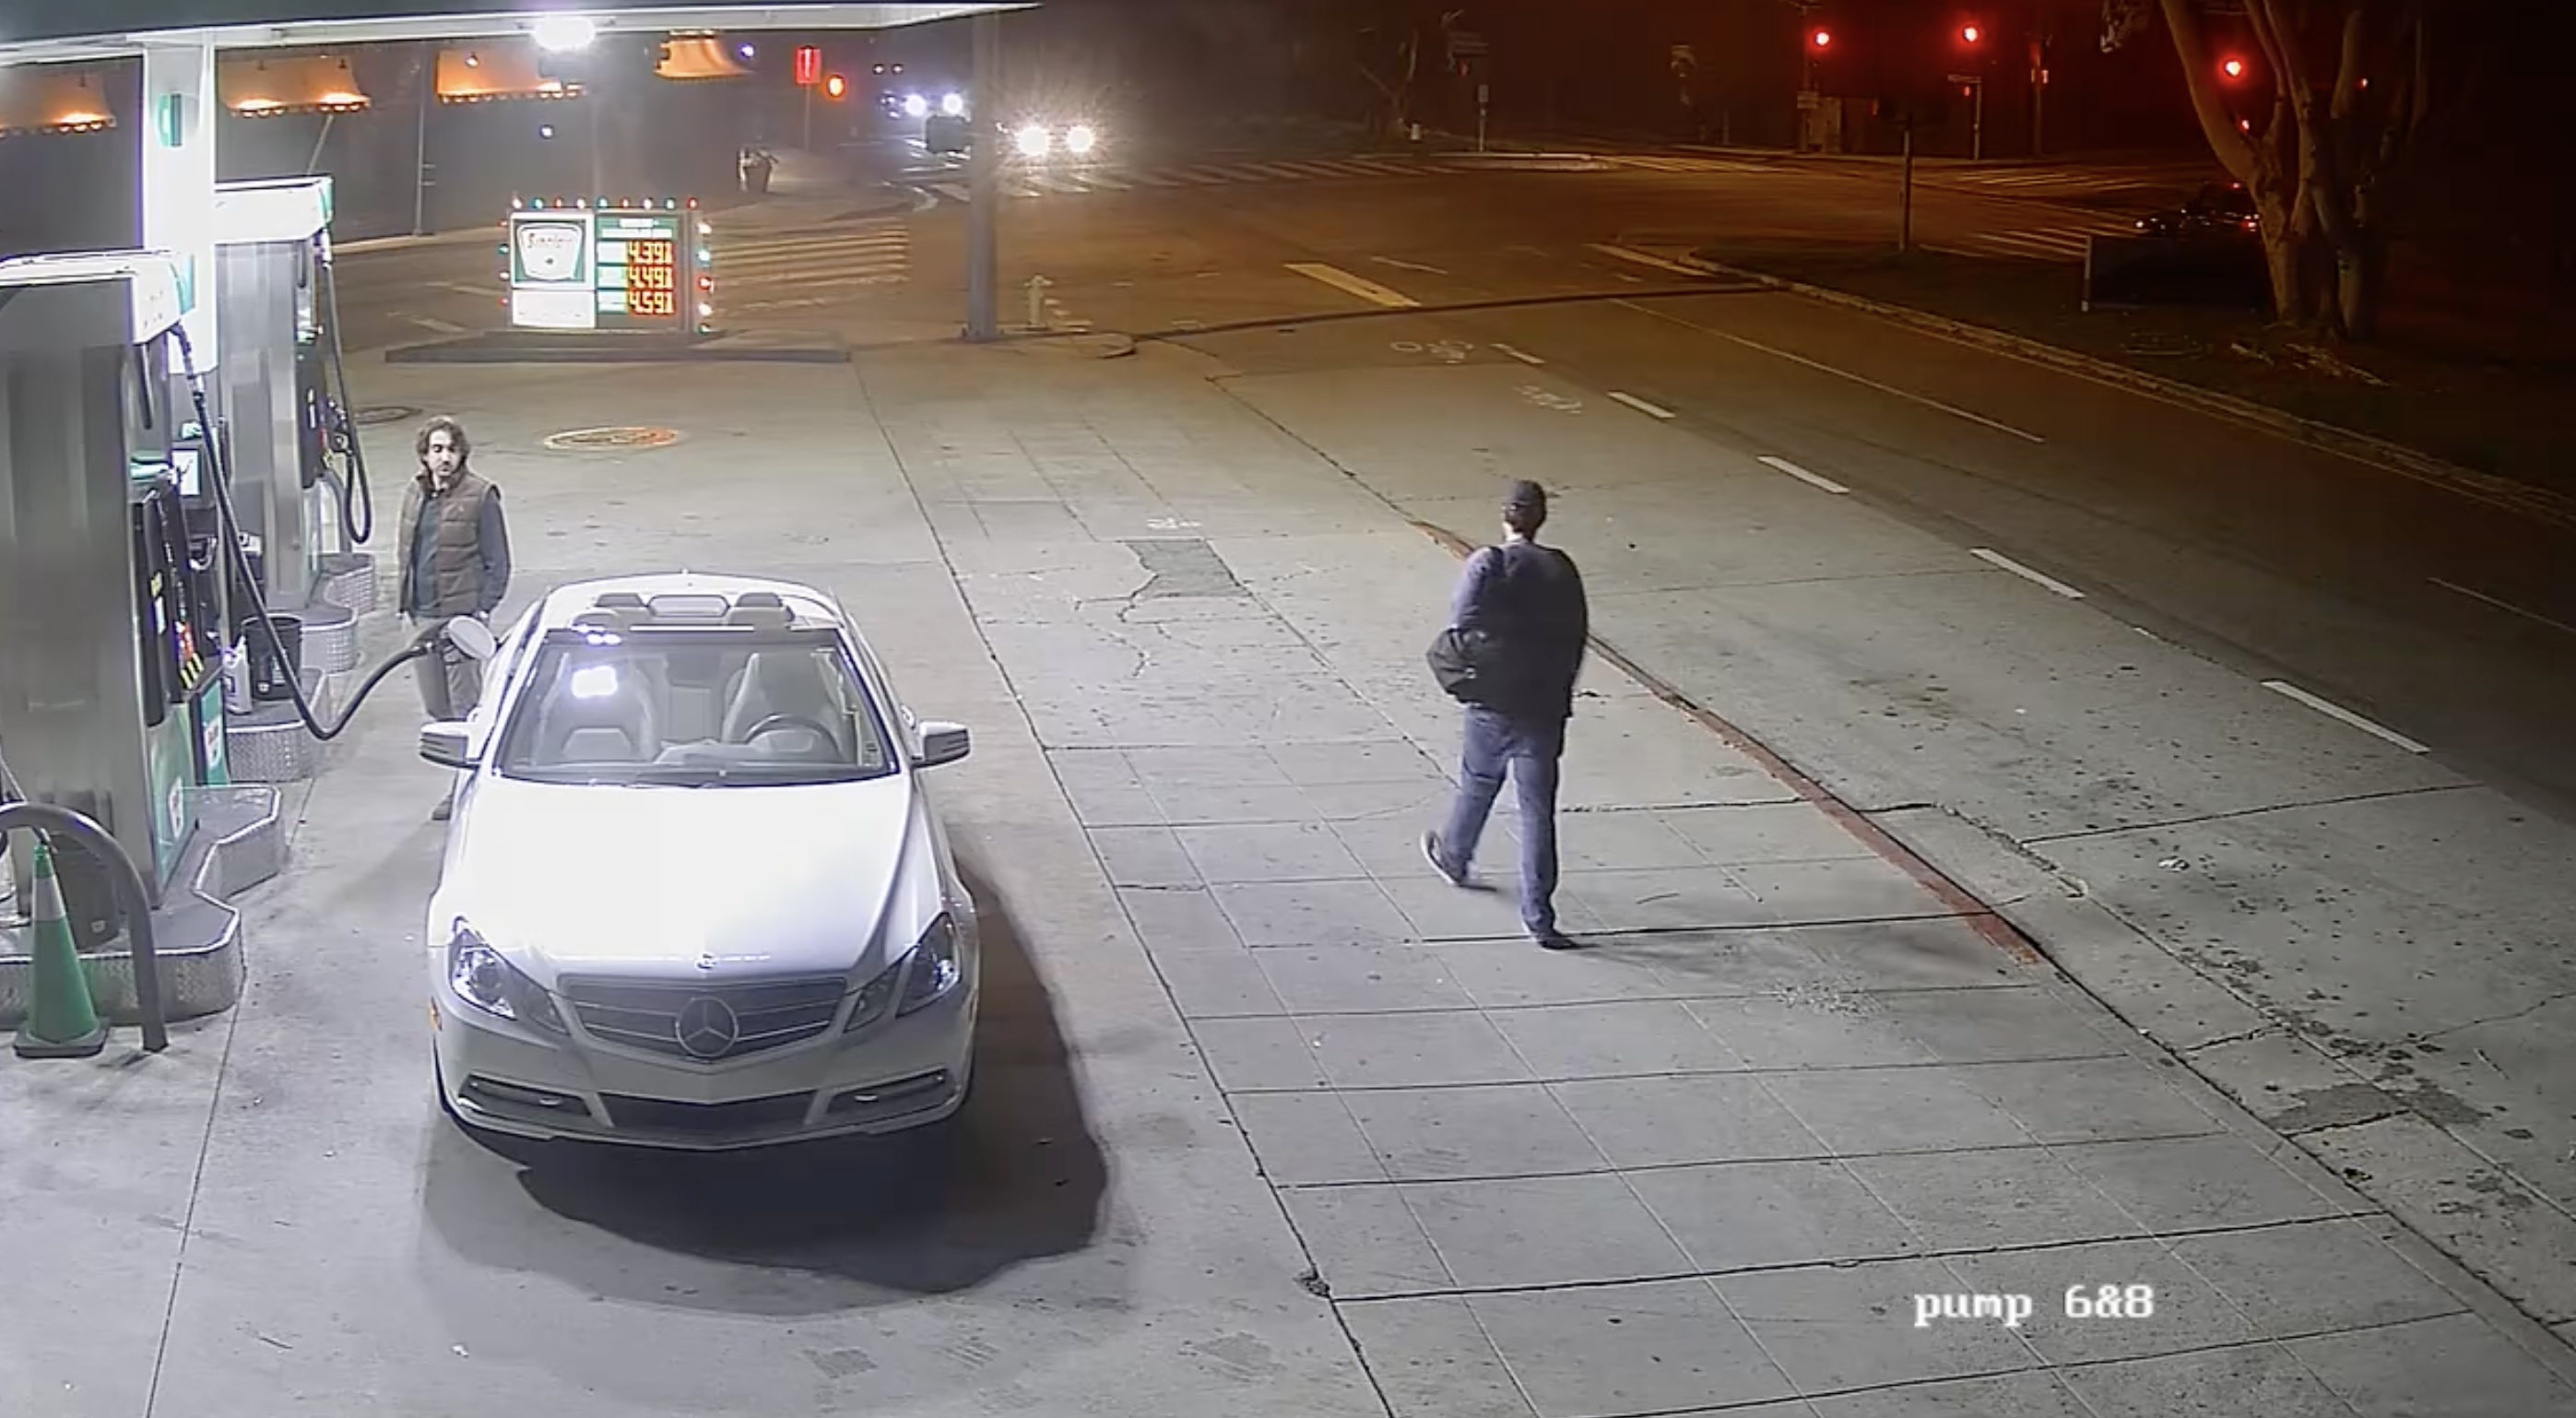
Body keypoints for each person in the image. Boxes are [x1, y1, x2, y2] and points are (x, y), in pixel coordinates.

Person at [1422, 479, 1589, 950]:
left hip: (1493, 700)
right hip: (1543, 706)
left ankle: (1455, 856)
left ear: (1505, 516)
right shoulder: (1561, 568)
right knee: (1539, 811)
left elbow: (1462, 624)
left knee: (1479, 781)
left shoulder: (1487, 563)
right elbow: (1576, 636)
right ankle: (1540, 916)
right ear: (1541, 518)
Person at [397, 415, 511, 821]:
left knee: (466, 711)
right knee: (438, 708)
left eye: (451, 449)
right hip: (422, 617)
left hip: (460, 621)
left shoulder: (481, 497)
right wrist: (405, 605)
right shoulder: (415, 494)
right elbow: (409, 551)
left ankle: (466, 791)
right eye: (436, 450)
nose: (444, 457)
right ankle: (462, 780)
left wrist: (480, 612)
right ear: (424, 456)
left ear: (462, 454)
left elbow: (499, 562)